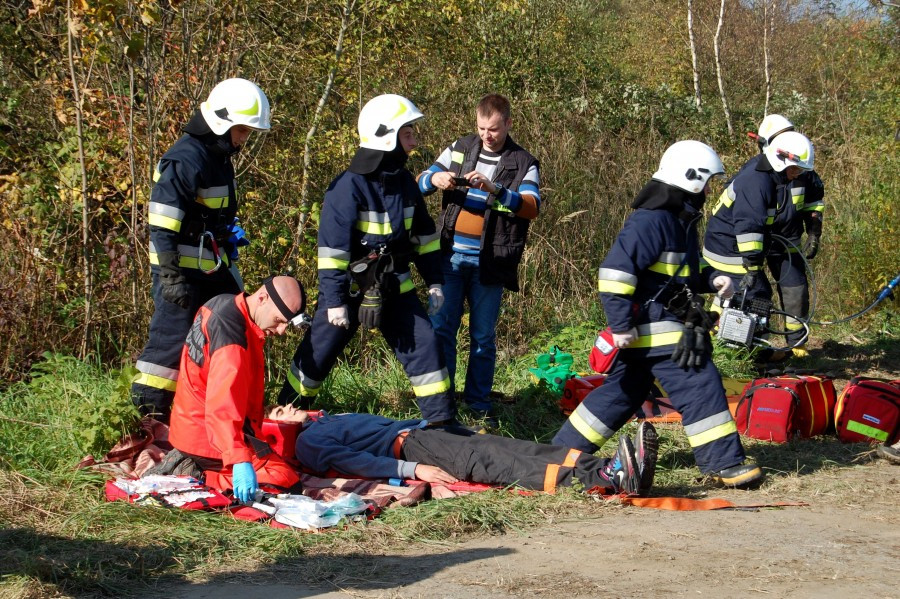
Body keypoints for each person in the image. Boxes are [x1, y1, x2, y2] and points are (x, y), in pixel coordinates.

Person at [552, 140, 765, 489]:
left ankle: (558, 454)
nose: (711, 190)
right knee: (700, 383)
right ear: (691, 179)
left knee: (620, 395)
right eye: (708, 181)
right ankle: (724, 464)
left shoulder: (678, 222)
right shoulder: (651, 222)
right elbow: (614, 273)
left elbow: (687, 271)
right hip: (655, 331)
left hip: (652, 331)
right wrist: (620, 324)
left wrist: (714, 278)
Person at [277, 94, 455, 424]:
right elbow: (331, 254)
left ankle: (442, 425)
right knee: (317, 354)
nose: (414, 143)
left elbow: (424, 238)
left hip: (393, 287)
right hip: (348, 292)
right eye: (408, 134)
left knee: (426, 346)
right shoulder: (347, 188)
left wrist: (435, 282)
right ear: (387, 137)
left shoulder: (405, 183)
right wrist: (333, 302)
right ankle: (283, 416)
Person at [131, 78, 272, 422]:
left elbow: (211, 211)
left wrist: (228, 234)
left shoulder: (218, 156)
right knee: (171, 341)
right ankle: (149, 416)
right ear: (222, 123)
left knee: (234, 325)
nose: (244, 138)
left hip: (210, 267)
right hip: (180, 272)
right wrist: (170, 276)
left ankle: (224, 408)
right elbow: (162, 223)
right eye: (242, 130)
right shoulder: (186, 159)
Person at [417, 94, 541, 422]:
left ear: (509, 124)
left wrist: (496, 190)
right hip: (449, 259)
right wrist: (435, 179)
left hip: (491, 262)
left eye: (494, 129)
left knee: (483, 337)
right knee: (442, 329)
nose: (487, 135)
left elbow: (531, 207)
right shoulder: (460, 148)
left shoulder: (523, 162)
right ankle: (442, 403)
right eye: (482, 128)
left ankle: (478, 404)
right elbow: (419, 182)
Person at [290, 404, 659, 496]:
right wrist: (414, 471)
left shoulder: (326, 419)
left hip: (428, 434)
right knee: (500, 464)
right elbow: (355, 462)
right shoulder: (308, 442)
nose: (287, 408)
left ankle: (609, 465)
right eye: (278, 413)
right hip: (416, 451)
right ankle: (608, 480)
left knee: (518, 448)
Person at [168, 276, 308, 502]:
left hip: (191, 425)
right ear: (262, 298)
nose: (282, 330)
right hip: (208, 438)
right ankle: (200, 478)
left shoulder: (221, 303)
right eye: (279, 320)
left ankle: (198, 467)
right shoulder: (232, 338)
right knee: (286, 482)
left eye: (286, 324)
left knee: (279, 467)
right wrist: (238, 459)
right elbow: (222, 406)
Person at [701, 127, 815, 358]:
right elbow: (749, 227)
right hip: (729, 248)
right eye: (795, 168)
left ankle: (710, 341)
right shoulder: (758, 181)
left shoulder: (767, 175)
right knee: (756, 295)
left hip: (725, 244)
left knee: (731, 295)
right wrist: (753, 267)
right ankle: (748, 354)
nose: (797, 174)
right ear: (781, 160)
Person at [754, 115, 825, 357]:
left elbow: (814, 204)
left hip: (789, 240)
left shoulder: (805, 172)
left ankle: (797, 346)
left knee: (796, 289)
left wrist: (814, 233)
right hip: (758, 240)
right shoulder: (759, 172)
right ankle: (754, 346)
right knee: (754, 292)